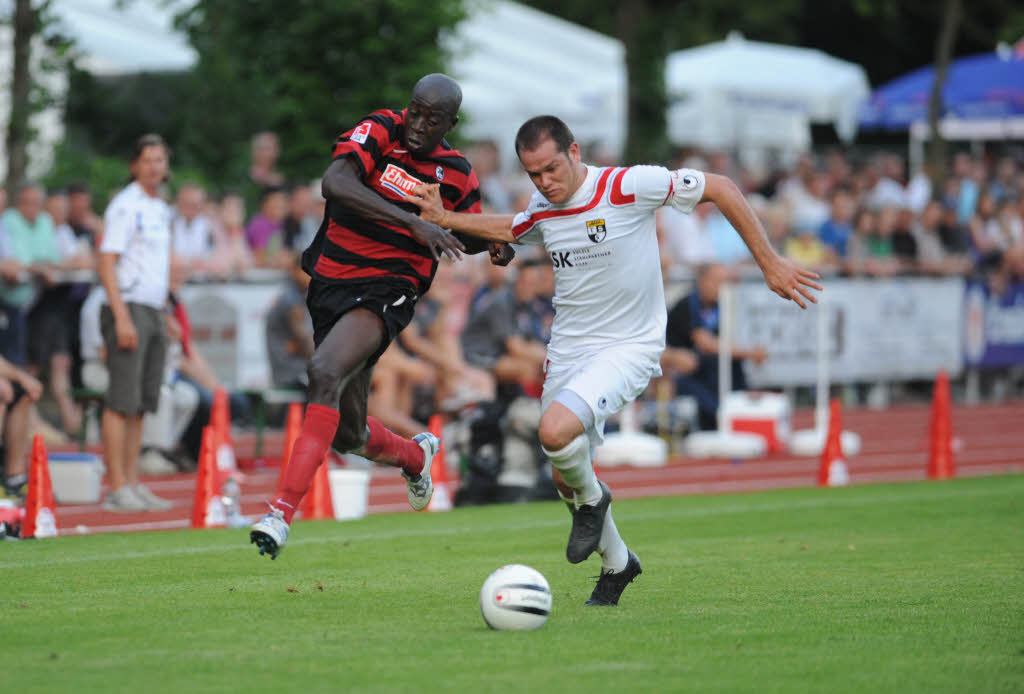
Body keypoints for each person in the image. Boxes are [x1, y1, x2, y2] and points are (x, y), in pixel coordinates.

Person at [409, 115, 821, 606]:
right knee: (564, 470)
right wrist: (451, 221)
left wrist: (769, 261)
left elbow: (723, 187)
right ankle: (619, 562)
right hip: (569, 347)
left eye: (552, 168)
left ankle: (595, 501)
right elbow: (516, 227)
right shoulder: (543, 206)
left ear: (575, 151)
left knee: (555, 433)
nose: (544, 182)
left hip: (630, 344)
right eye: (533, 174)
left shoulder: (627, 185)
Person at [249, 73, 514, 559]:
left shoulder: (456, 172)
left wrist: (493, 243)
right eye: (415, 110)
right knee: (349, 432)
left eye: (432, 119)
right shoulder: (380, 130)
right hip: (331, 281)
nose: (417, 124)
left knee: (323, 370)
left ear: (450, 123)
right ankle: (416, 455)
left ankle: (279, 514)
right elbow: (336, 182)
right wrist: (414, 221)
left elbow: (470, 229)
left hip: (389, 288)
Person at [96, 134, 175, 512]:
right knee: (120, 400)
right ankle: (117, 487)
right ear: (135, 165)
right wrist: (122, 315)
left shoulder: (160, 208)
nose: (155, 167)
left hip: (153, 307)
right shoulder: (125, 206)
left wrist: (166, 311)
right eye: (148, 160)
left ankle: (133, 481)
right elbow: (107, 261)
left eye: (160, 160)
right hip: (128, 306)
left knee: (142, 401)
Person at [665, 264, 768, 431]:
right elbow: (705, 343)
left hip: (707, 366)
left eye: (725, 282)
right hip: (680, 370)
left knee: (733, 365)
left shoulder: (720, 306)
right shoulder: (688, 304)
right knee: (702, 366)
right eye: (717, 281)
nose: (721, 287)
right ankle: (723, 417)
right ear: (702, 281)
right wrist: (750, 353)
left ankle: (742, 413)